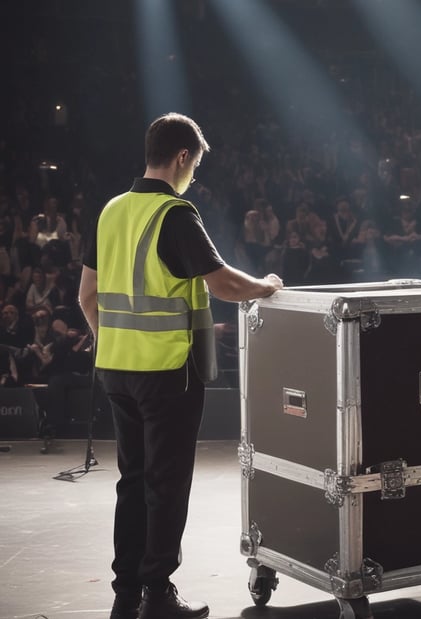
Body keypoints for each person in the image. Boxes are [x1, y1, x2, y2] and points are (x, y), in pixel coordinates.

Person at [78, 113, 283, 619]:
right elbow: (224, 283)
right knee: (166, 486)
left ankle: (126, 595)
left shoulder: (111, 211)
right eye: (195, 166)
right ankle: (157, 595)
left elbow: (86, 296)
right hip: (167, 373)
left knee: (132, 480)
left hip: (116, 370)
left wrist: (113, 343)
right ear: (183, 157)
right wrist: (267, 286)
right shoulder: (174, 213)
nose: (193, 176)